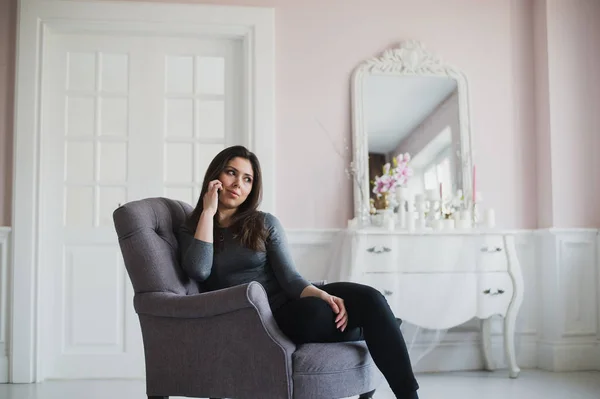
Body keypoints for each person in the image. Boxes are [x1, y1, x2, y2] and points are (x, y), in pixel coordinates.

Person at [178, 145, 419, 399]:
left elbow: (290, 278)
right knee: (317, 316)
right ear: (215, 176)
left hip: (293, 299)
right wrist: (208, 212)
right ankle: (383, 325)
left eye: (247, 179)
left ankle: (408, 394)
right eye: (231, 173)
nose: (238, 183)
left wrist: (320, 294)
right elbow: (199, 270)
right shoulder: (192, 227)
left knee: (371, 298)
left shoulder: (263, 223)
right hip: (267, 317)